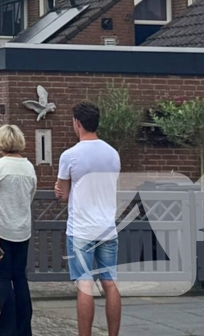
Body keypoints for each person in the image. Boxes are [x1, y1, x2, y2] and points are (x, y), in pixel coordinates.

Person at [54, 102, 122, 336]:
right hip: (107, 228)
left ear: (78, 123)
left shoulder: (70, 156)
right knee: (110, 283)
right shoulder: (113, 154)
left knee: (84, 284)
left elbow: (62, 196)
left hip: (81, 229)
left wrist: (60, 190)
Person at [0, 125, 37, 336]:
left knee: (4, 278)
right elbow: (31, 195)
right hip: (22, 229)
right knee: (20, 278)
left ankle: (7, 329)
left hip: (1, 230)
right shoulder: (29, 168)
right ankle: (24, 328)